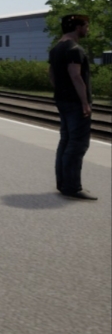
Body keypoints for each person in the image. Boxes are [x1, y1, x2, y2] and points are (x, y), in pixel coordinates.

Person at [48, 14, 95, 200]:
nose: (87, 29)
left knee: (65, 140)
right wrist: (84, 102)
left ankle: (63, 183)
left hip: (62, 100)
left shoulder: (56, 48)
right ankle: (72, 187)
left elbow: (51, 74)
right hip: (76, 103)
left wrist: (60, 91)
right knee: (77, 144)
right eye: (86, 26)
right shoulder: (74, 49)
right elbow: (76, 75)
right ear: (78, 27)